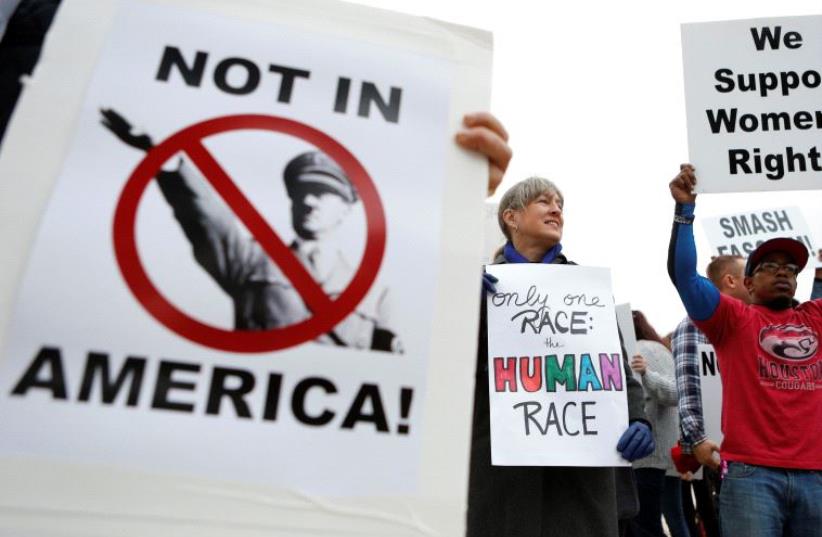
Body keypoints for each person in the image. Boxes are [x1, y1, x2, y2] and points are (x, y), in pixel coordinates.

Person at [101, 109, 511, 352]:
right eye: (302, 193)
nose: (311, 201)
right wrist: (169, 157)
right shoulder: (249, 260)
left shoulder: (381, 291)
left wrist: (457, 189)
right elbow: (208, 217)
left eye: (324, 194)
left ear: (348, 208)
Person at [468, 176, 654, 537]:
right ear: (511, 217)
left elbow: (614, 371)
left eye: (559, 204)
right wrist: (462, 306)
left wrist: (638, 419)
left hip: (580, 481)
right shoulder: (479, 288)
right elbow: (453, 372)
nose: (556, 210)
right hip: (504, 474)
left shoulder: (585, 291)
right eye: (543, 201)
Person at [668, 163, 822, 537]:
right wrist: (684, 212)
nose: (784, 272)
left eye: (791, 268)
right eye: (771, 266)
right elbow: (685, 277)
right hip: (752, 476)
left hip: (816, 475)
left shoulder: (815, 318)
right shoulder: (733, 320)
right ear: (749, 284)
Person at [673, 255, 749, 537]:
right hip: (723, 452)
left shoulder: (755, 320)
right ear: (730, 280)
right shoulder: (695, 324)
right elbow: (688, 384)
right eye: (748, 275)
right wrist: (697, 439)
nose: (754, 282)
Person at [628, 311, 690, 537]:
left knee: (647, 525)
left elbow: (674, 392)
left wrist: (646, 374)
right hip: (666, 455)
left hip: (648, 456)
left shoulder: (642, 351)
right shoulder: (662, 350)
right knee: (674, 519)